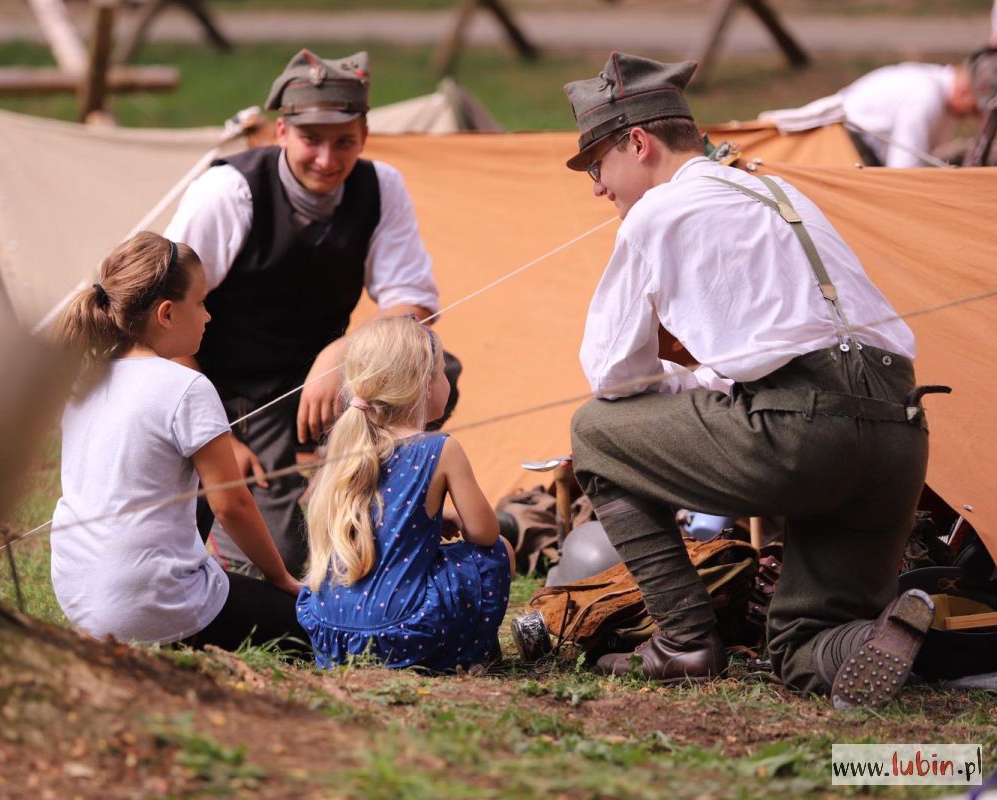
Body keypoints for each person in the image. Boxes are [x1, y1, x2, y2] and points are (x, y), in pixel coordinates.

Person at [558, 52, 939, 709]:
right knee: (800, 642)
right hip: (901, 434)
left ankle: (683, 641)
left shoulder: (657, 212)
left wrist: (685, 381)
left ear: (638, 143)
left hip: (805, 435)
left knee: (595, 432)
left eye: (597, 166)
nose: (599, 188)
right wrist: (712, 380)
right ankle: (876, 641)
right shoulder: (783, 194)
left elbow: (612, 376)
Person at [164, 49, 453, 578]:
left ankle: (369, 505)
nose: (326, 158)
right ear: (281, 132)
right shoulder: (227, 193)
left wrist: (341, 353)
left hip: (318, 383)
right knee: (284, 559)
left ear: (364, 136)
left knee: (431, 366)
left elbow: (413, 303)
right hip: (231, 395)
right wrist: (217, 437)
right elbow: (158, 323)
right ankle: (242, 511)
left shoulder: (381, 186)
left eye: (344, 141)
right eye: (311, 139)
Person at [50, 231, 307, 652]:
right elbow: (232, 504)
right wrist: (280, 579)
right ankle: (183, 617)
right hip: (148, 607)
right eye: (201, 303)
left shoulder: (84, 381)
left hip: (82, 601)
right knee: (308, 622)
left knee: (194, 478)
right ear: (167, 314)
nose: (208, 316)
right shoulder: (186, 386)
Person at [296, 317, 513, 671]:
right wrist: (457, 518)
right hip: (401, 633)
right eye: (442, 372)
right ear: (426, 385)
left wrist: (428, 522)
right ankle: (470, 650)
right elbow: (485, 534)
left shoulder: (347, 444)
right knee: (500, 552)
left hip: (331, 631)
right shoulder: (440, 448)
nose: (446, 381)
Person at [760, 61, 978, 167]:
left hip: (851, 146)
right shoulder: (925, 94)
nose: (976, 116)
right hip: (843, 147)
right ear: (964, 91)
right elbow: (904, 167)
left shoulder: (931, 85)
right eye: (977, 109)